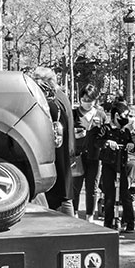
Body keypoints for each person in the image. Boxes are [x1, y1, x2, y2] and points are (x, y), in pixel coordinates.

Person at [29, 67, 76, 212]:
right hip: (63, 151)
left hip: (55, 153)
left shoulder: (50, 100)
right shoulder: (61, 96)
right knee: (64, 195)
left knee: (60, 196)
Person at [98, 99, 135, 232]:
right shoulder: (106, 129)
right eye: (124, 116)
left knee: (125, 194)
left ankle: (129, 222)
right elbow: (98, 141)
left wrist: (131, 145)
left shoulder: (125, 132)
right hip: (109, 165)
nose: (126, 119)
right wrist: (108, 142)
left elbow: (132, 144)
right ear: (116, 116)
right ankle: (108, 222)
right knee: (109, 195)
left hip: (122, 166)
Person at [72, 86, 104, 221]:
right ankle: (73, 213)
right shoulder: (74, 114)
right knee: (75, 187)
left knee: (92, 187)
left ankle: (90, 216)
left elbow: (104, 134)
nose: (86, 102)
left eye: (90, 100)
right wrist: (77, 133)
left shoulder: (100, 114)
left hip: (95, 156)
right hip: (77, 155)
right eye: (84, 99)